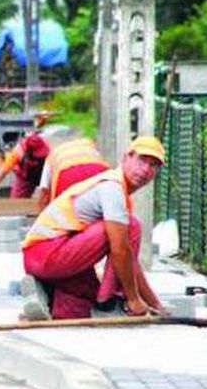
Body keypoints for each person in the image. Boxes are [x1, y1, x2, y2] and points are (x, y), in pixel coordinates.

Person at [21, 136, 166, 319]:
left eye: (153, 166)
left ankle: (47, 296)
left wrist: (155, 304)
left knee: (82, 305)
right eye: (142, 160)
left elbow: (130, 261)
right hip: (45, 253)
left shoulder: (119, 193)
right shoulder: (112, 187)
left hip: (47, 256)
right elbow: (121, 251)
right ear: (126, 158)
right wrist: (133, 299)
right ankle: (108, 303)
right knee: (130, 227)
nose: (145, 170)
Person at [0, 113, 53, 204]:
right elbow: (1, 173)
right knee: (15, 204)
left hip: (45, 174)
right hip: (25, 177)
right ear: (28, 153)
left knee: (52, 201)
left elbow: (55, 174)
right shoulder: (18, 153)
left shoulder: (49, 152)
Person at [35, 136, 111, 211]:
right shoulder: (89, 146)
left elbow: (44, 190)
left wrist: (43, 215)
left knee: (66, 213)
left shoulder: (52, 155)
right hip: (99, 171)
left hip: (67, 175)